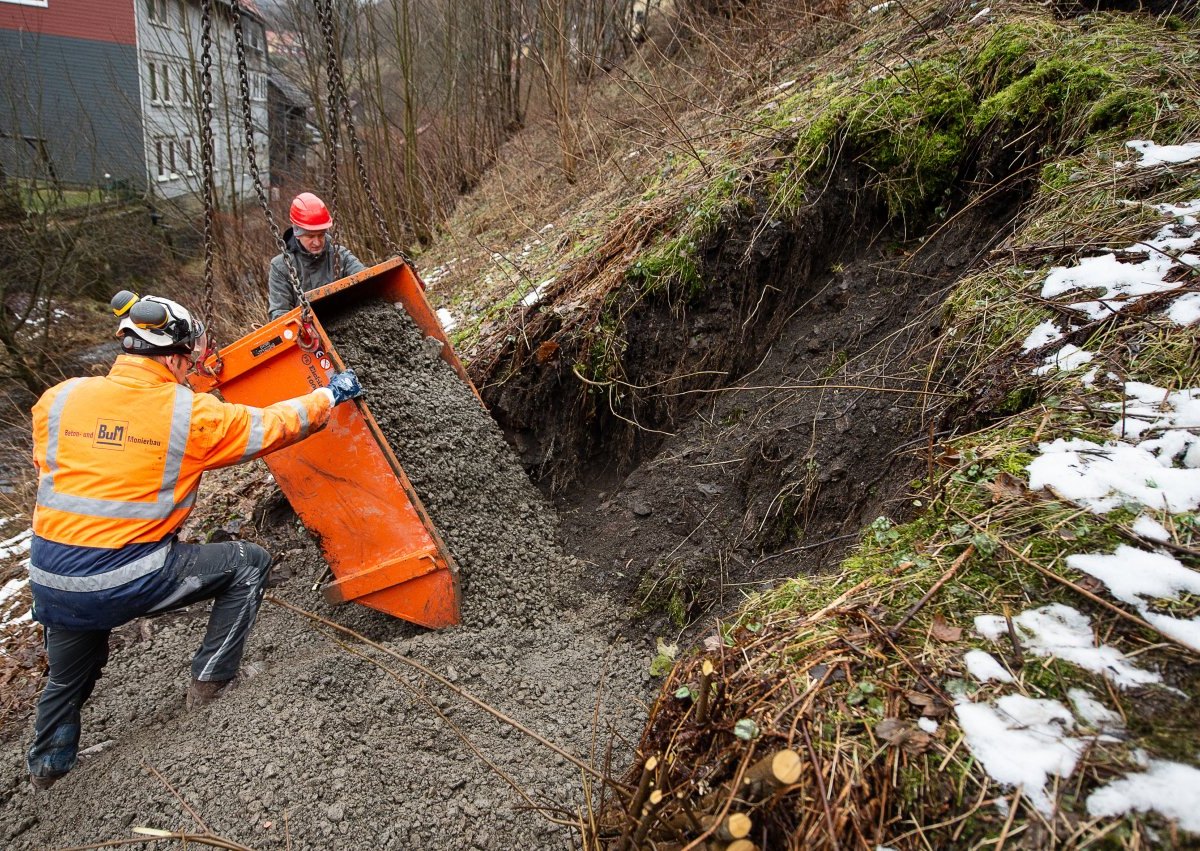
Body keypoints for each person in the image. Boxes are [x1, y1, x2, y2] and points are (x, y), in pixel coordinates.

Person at [25, 291, 364, 790]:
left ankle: (49, 769)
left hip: (51, 576)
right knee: (249, 563)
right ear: (172, 356)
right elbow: (272, 425)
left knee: (68, 673)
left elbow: (56, 469)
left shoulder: (60, 398)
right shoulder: (190, 416)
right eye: (190, 358)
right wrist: (329, 396)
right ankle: (212, 684)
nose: (193, 366)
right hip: (124, 574)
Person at [267, 192, 366, 319]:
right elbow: (279, 313)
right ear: (297, 233)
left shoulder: (341, 256)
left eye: (321, 235)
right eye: (310, 236)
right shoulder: (281, 267)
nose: (317, 242)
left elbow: (365, 278)